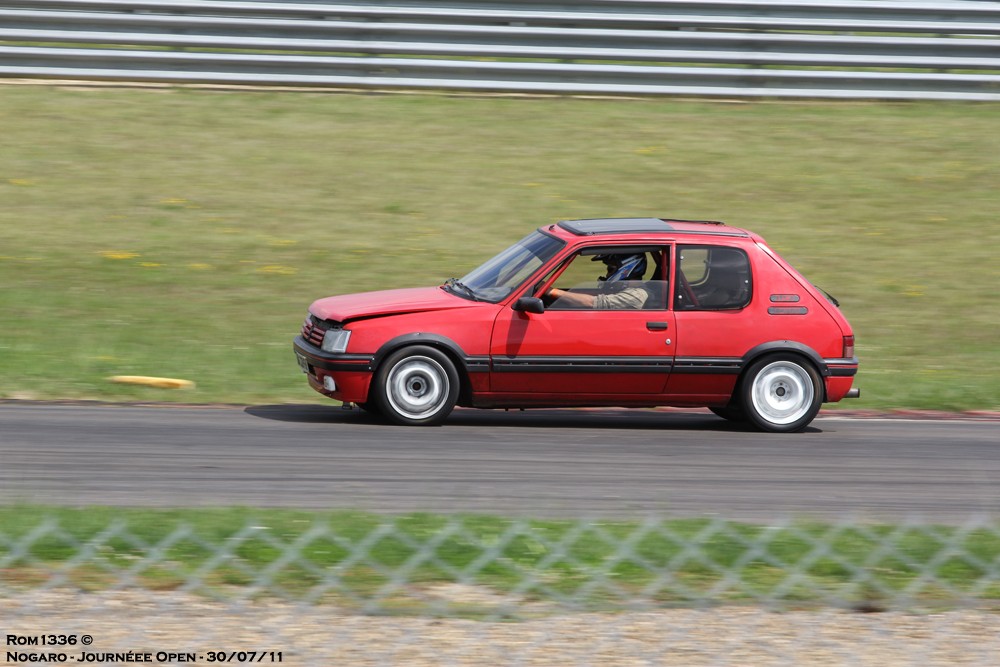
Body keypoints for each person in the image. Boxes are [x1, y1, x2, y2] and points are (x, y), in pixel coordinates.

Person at [546, 253, 650, 309]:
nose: (607, 275)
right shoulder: (623, 290)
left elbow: (591, 302)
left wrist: (552, 291)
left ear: (628, 268)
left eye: (610, 269)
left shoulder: (637, 295)